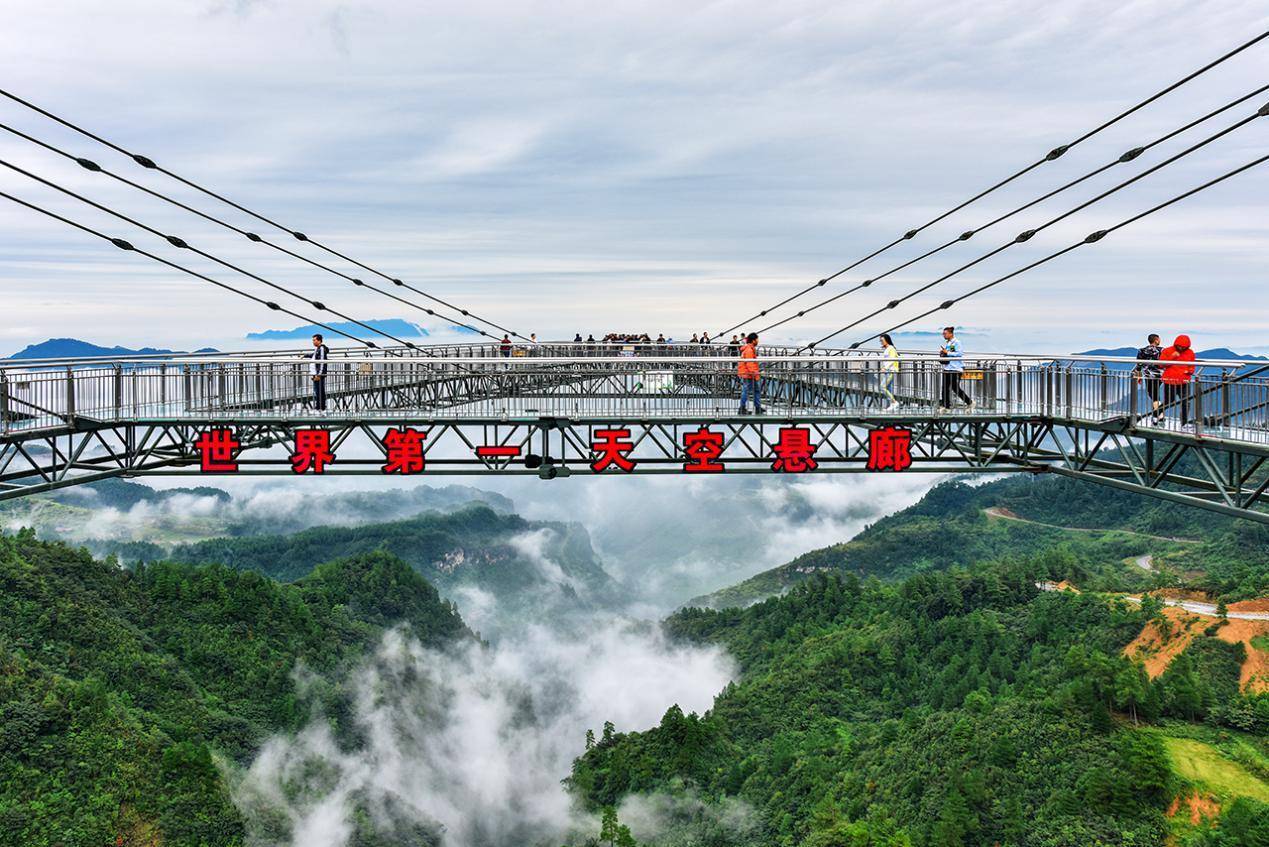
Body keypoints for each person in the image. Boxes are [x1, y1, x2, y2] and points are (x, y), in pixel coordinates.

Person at [1160, 334, 1197, 427]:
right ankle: (1156, 414)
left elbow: (1192, 366)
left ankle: (1184, 423)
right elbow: (1161, 365)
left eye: (1183, 347)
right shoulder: (1168, 351)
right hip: (1170, 381)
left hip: (1184, 381)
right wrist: (1172, 357)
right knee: (1169, 402)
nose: (1181, 348)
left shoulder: (1190, 353)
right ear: (1176, 344)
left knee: (1186, 402)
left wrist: (1189, 371)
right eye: (1179, 346)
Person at [1131, 333, 1163, 424]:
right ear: (1156, 340)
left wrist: (1138, 375)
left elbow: (1139, 365)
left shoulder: (1142, 350)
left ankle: (1158, 416)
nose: (1160, 341)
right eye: (1159, 339)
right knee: (1155, 395)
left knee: (1153, 395)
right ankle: (1158, 415)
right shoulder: (1161, 350)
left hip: (1148, 375)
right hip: (1160, 375)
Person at [938, 326, 972, 411]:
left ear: (950, 334)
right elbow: (951, 352)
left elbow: (959, 353)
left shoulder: (957, 342)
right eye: (943, 333)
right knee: (944, 387)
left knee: (955, 388)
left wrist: (947, 352)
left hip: (955, 368)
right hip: (948, 368)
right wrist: (944, 352)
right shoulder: (949, 343)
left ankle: (969, 402)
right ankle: (946, 406)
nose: (943, 335)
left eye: (945, 333)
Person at [737, 332, 763, 415]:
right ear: (753, 340)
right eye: (757, 339)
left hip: (747, 373)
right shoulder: (749, 350)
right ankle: (742, 408)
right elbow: (750, 363)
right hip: (749, 374)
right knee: (747, 390)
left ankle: (757, 407)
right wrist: (755, 374)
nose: (758, 341)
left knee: (755, 390)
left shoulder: (749, 349)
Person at [879, 333, 900, 410]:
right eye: (880, 341)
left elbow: (892, 359)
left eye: (882, 340)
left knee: (882, 387)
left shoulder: (891, 348)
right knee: (888, 388)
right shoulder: (887, 349)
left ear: (886, 340)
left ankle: (894, 402)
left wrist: (885, 367)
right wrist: (884, 367)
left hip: (890, 370)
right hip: (888, 370)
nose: (881, 342)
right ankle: (892, 405)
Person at [309, 333, 329, 411]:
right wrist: (305, 355)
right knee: (317, 391)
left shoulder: (321, 349)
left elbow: (322, 362)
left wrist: (319, 375)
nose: (313, 342)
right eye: (313, 340)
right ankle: (319, 406)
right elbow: (313, 355)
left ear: (319, 340)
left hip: (319, 374)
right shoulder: (317, 349)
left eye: (314, 340)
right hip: (316, 373)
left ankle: (321, 407)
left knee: (320, 391)